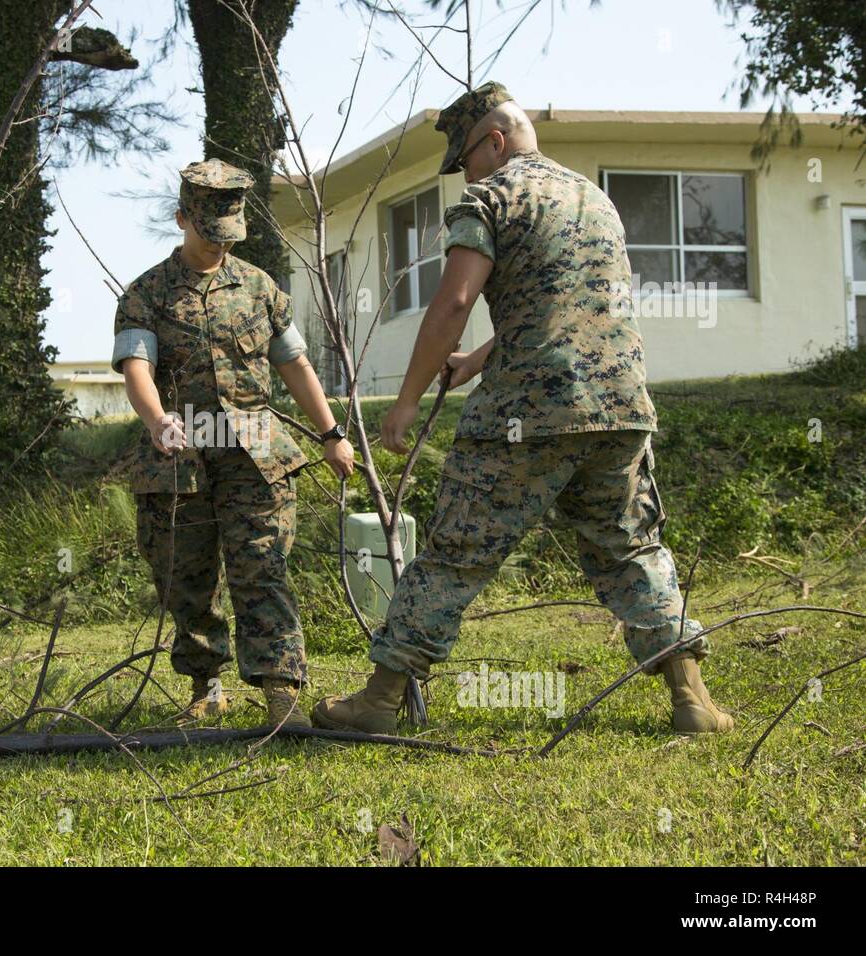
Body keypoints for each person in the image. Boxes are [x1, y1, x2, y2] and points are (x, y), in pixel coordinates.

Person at [312, 83, 733, 736]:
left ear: (495, 143)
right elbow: (562, 307)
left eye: (465, 159)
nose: (465, 174)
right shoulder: (596, 201)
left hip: (529, 416)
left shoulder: (492, 197)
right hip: (620, 407)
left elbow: (451, 304)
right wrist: (474, 361)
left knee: (455, 554)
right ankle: (692, 699)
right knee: (631, 550)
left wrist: (404, 404)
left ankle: (379, 701)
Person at [112, 158, 355, 728]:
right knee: (185, 575)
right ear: (181, 219)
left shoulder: (260, 288)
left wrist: (331, 434)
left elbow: (294, 362)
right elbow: (137, 367)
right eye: (209, 233)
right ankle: (207, 684)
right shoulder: (146, 292)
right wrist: (156, 421)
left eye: (229, 235)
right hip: (179, 455)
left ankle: (280, 691)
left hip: (255, 454)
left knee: (261, 568)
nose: (219, 245)